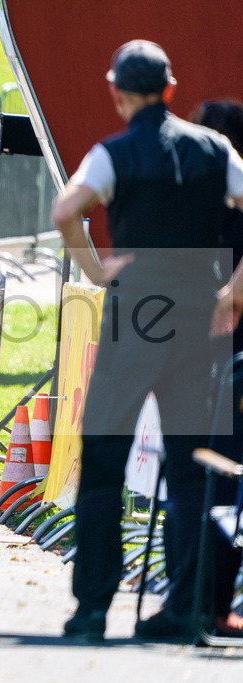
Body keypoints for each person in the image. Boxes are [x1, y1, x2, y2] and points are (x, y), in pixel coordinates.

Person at [51, 40, 243, 643]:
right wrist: (236, 287)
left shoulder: (113, 153)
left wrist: (93, 270)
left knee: (105, 459)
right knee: (190, 470)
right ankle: (185, 611)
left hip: (137, 314)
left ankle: (91, 611)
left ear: (116, 91)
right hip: (199, 318)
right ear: (170, 88)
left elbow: (66, 209)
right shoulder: (216, 148)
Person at [190, 98, 243, 637]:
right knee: (223, 485)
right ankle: (210, 604)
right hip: (227, 368)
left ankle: (194, 599)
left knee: (194, 481)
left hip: (197, 360)